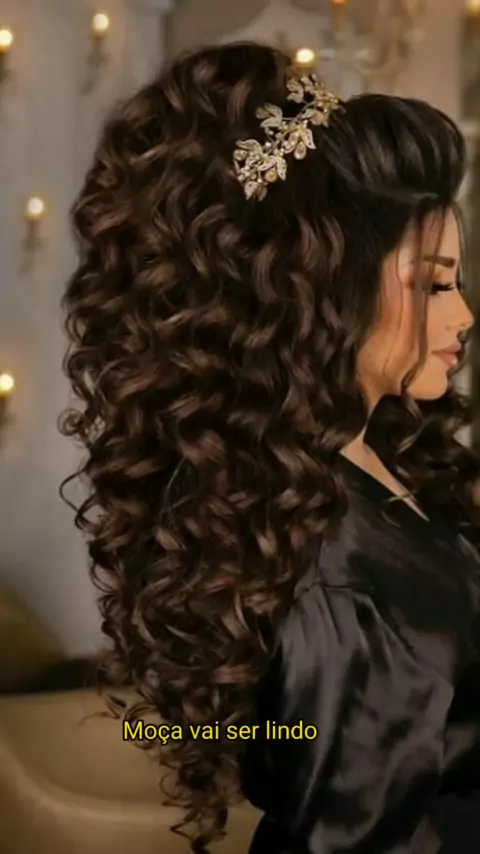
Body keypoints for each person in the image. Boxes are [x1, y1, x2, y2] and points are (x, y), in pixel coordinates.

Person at [59, 41, 480, 854]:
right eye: (431, 284)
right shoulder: (338, 575)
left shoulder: (359, 463)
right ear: (329, 287)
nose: (462, 315)